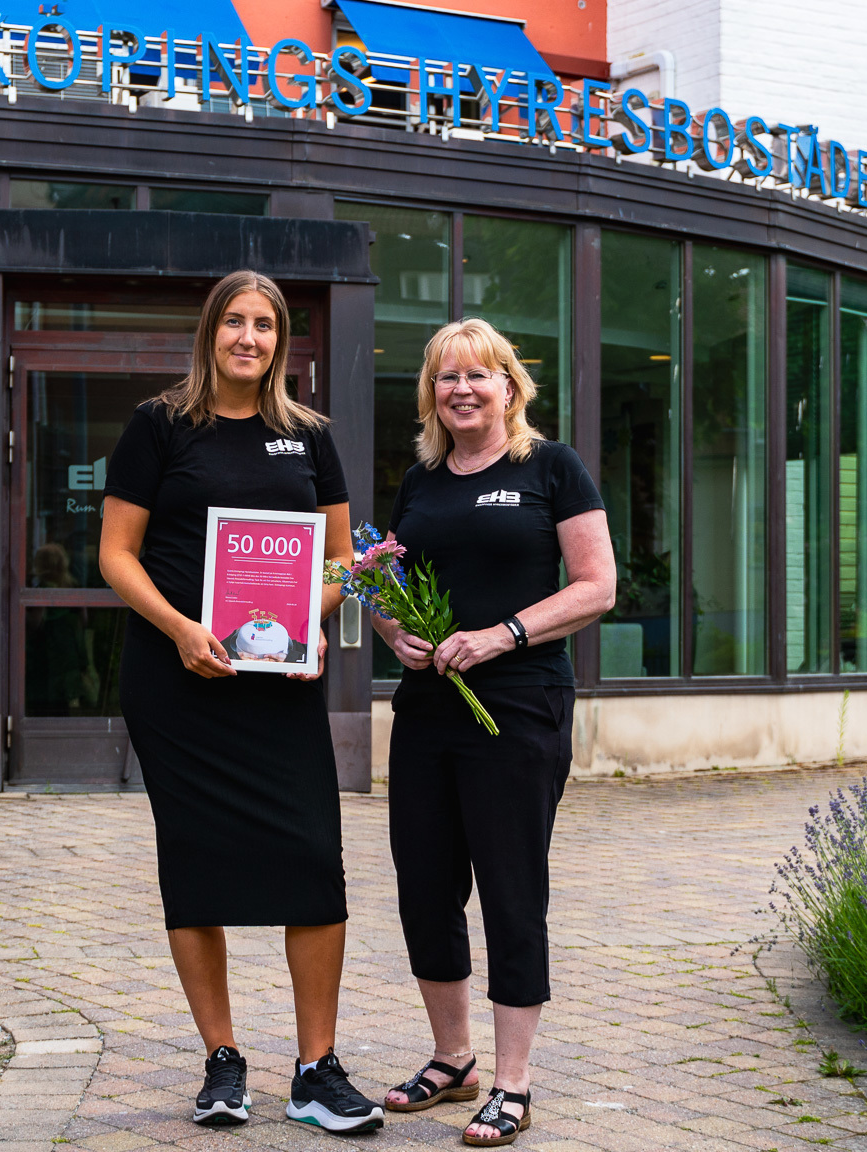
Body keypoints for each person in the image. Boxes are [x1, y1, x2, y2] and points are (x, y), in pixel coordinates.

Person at [98, 270, 383, 1133]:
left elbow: (344, 561)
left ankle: (314, 1070)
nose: (248, 338)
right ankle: (222, 1061)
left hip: (280, 688)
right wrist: (183, 629)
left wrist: (315, 624)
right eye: (234, 322)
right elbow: (116, 554)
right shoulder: (158, 426)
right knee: (196, 866)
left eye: (264, 325)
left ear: (280, 340)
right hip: (177, 685)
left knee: (312, 865)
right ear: (210, 333)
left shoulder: (310, 438)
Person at [372, 318, 616, 1147]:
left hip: (517, 705)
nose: (463, 390)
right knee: (426, 886)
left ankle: (512, 1082)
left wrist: (501, 635)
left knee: (512, 889)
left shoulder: (551, 468)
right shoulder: (421, 481)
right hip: (429, 708)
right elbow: (389, 586)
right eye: (447, 377)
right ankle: (453, 1059)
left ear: (511, 387)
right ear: (431, 395)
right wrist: (392, 631)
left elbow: (596, 587)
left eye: (480, 375)